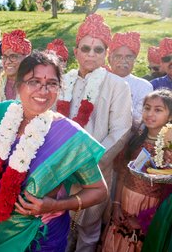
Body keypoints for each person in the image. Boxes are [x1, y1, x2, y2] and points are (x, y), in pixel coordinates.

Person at [0, 51, 108, 251]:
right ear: (18, 84)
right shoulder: (1, 113)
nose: (43, 91)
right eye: (34, 81)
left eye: (51, 83)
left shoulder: (69, 136)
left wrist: (56, 205)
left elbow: (99, 191)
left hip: (40, 236)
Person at [56, 14, 132, 252]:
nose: (91, 54)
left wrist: (89, 163)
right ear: (76, 51)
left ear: (105, 54)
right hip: (60, 169)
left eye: (98, 50)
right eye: (86, 48)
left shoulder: (117, 85)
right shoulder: (63, 81)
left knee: (88, 231)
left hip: (95, 172)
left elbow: (121, 131)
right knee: (59, 226)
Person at [102, 90, 172, 251]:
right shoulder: (135, 139)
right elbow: (122, 174)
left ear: (169, 116)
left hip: (151, 208)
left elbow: (168, 192)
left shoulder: (169, 148)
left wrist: (145, 220)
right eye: (147, 108)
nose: (150, 114)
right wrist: (117, 204)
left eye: (158, 110)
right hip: (125, 200)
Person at [108, 32, 153, 129]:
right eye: (118, 56)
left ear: (134, 60)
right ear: (110, 59)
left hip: (132, 138)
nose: (123, 60)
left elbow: (140, 122)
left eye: (129, 57)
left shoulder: (144, 86)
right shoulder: (100, 81)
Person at [0, 29, 31, 107]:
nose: (7, 62)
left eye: (13, 56)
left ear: (26, 59)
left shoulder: (34, 85)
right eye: (5, 57)